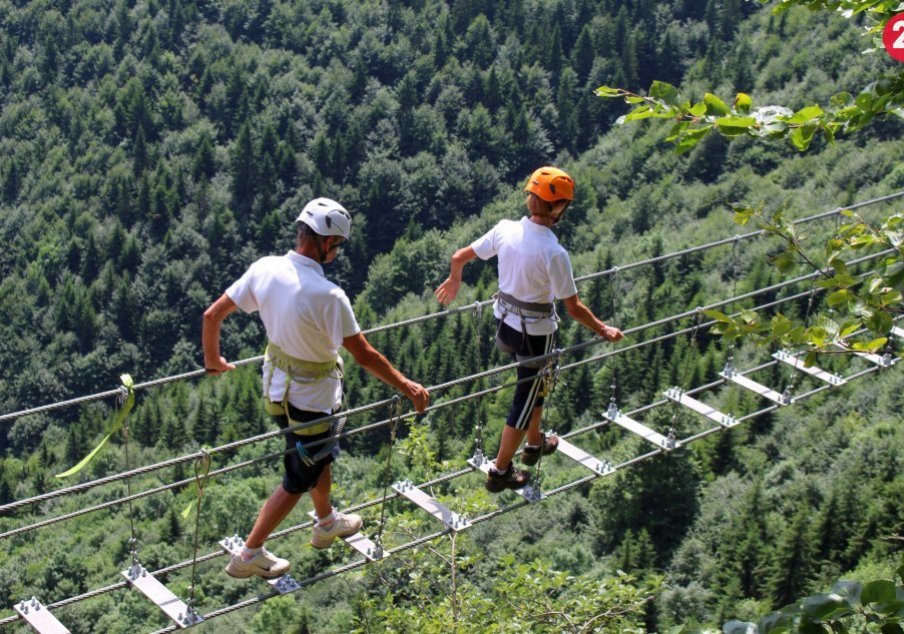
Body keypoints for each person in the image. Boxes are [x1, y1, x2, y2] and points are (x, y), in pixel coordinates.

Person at [203, 197, 429, 579]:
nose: (336, 251)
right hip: (312, 400)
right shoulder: (328, 296)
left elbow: (212, 315)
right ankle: (249, 554)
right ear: (327, 242)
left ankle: (326, 522)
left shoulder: (266, 268)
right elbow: (365, 355)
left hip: (276, 392)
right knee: (298, 476)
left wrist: (213, 360)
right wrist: (407, 386)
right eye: (337, 244)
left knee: (316, 456)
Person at [435, 166, 624, 492]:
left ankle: (534, 443)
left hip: (505, 324)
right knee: (526, 396)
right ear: (558, 208)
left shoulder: (505, 229)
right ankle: (500, 470)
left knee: (535, 386)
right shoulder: (554, 253)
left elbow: (458, 257)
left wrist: (455, 278)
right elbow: (573, 308)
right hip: (535, 334)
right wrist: (603, 329)